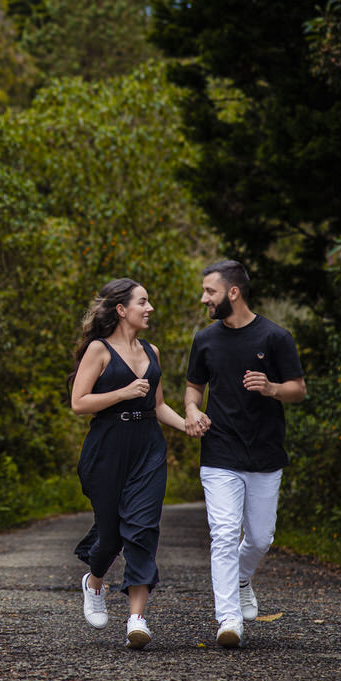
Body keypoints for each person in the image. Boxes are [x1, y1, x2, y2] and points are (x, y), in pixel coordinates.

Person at [184, 260, 306, 648]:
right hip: (219, 451)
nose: (204, 298)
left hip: (266, 454)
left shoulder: (275, 337)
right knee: (223, 535)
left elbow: (298, 389)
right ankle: (229, 619)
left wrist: (271, 388)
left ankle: (241, 577)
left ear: (232, 292)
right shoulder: (204, 339)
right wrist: (191, 411)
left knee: (259, 539)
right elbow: (193, 389)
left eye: (210, 291)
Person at [69, 278, 188, 650]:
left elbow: (158, 406)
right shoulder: (98, 350)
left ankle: (137, 618)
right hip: (107, 447)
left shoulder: (152, 351)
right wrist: (122, 392)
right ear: (122, 309)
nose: (149, 308)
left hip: (148, 447)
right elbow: (79, 402)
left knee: (143, 529)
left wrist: (189, 425)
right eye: (143, 301)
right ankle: (95, 581)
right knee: (111, 535)